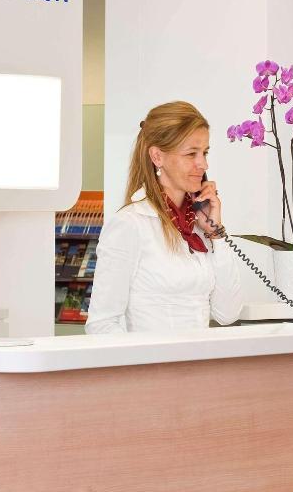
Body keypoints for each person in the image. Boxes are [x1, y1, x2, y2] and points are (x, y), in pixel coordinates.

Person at [86, 101, 243, 334]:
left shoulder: (198, 225)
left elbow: (228, 314)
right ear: (157, 156)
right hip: (153, 357)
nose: (203, 164)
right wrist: (146, 356)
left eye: (205, 153)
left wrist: (216, 233)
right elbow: (101, 324)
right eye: (191, 154)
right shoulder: (130, 224)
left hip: (201, 356)